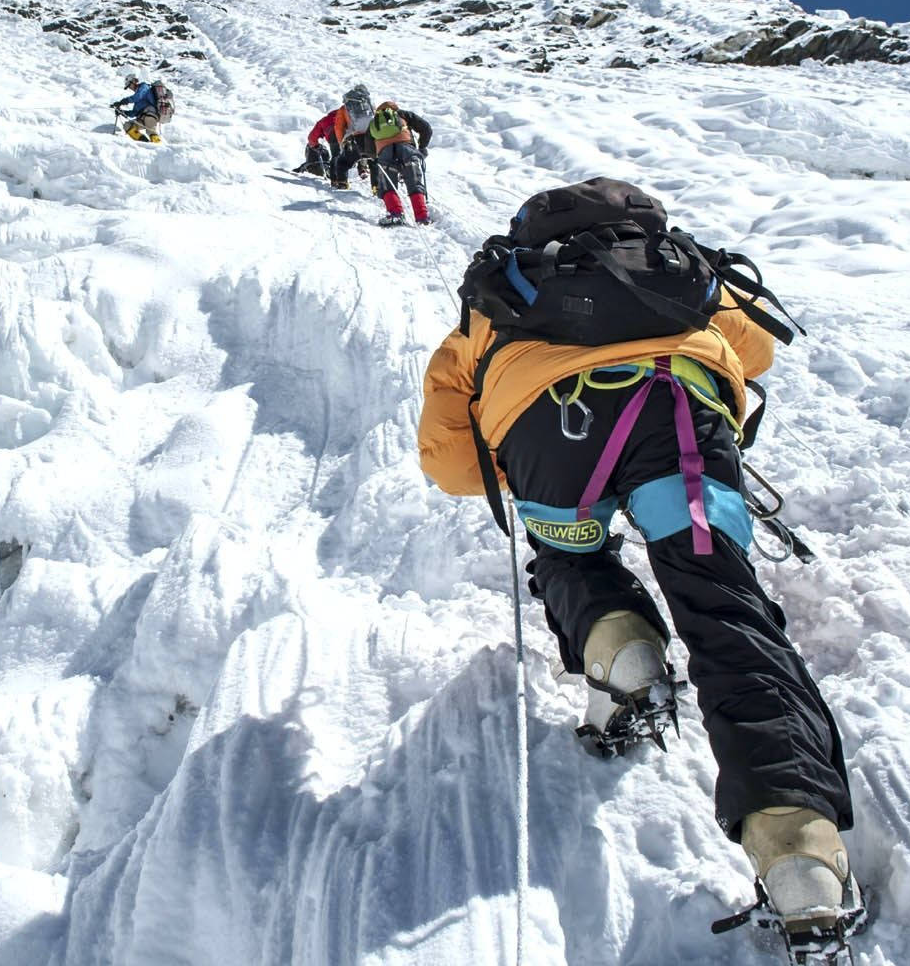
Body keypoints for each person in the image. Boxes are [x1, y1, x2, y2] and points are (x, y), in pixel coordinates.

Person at [417, 178, 856, 939]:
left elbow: (453, 465)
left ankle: (623, 659)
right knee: (723, 603)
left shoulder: (500, 293)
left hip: (552, 432)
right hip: (680, 414)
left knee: (572, 561)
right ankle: (799, 857)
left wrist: (516, 449)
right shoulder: (674, 266)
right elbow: (753, 353)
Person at [363, 101, 433, 226]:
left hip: (385, 154)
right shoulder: (403, 114)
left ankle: (395, 215)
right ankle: (422, 217)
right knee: (414, 182)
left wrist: (377, 156)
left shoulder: (374, 122)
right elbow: (426, 128)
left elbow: (368, 148)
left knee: (387, 186)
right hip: (407, 150)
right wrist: (422, 147)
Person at [110, 74, 166, 143]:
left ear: (134, 81)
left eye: (129, 85)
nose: (130, 88)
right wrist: (122, 112)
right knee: (128, 126)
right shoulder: (138, 99)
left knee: (150, 131)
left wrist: (123, 101)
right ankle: (145, 144)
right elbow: (134, 113)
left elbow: (137, 97)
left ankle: (158, 148)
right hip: (141, 117)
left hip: (150, 114)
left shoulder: (144, 86)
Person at [294, 105, 342, 176]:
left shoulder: (323, 121)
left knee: (336, 155)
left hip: (332, 134)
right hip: (347, 132)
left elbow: (312, 137)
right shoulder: (345, 114)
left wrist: (316, 146)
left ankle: (337, 177)